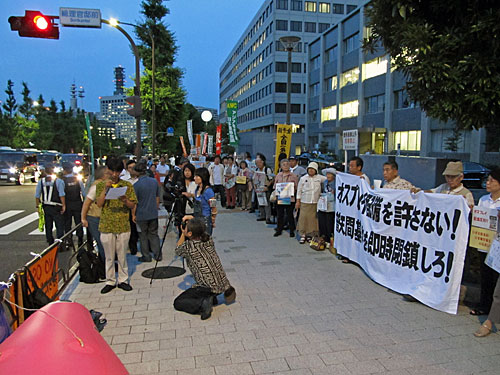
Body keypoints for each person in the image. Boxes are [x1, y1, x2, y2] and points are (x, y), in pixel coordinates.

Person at [173, 217, 236, 320]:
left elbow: (177, 250)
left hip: (207, 287)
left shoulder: (189, 247)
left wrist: (182, 233)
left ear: (189, 233)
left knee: (178, 302)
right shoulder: (208, 239)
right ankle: (212, 298)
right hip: (223, 284)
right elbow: (201, 228)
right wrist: (193, 220)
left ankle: (203, 304)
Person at [95, 157, 137, 294]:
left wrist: (125, 200)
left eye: (118, 171)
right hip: (106, 224)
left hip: (123, 224)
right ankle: (110, 280)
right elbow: (99, 204)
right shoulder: (101, 185)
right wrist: (105, 191)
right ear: (107, 170)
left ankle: (123, 280)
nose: (115, 175)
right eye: (112, 171)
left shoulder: (127, 185)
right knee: (109, 256)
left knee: (122, 255)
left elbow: (133, 205)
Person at [471, 168, 500, 320]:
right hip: (484, 243)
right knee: (486, 277)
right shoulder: (483, 200)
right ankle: (484, 305)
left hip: (498, 246)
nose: (487, 183)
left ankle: (495, 312)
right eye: (487, 180)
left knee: (496, 278)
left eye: (491, 181)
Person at [133, 161, 161, 263]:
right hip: (153, 213)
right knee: (154, 234)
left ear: (137, 172)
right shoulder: (154, 182)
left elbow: (135, 202)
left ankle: (146, 256)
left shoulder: (136, 185)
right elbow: (157, 197)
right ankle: (158, 255)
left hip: (141, 214)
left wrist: (133, 214)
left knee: (143, 236)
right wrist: (156, 207)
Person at [81, 166, 108, 261]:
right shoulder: (97, 186)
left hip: (100, 218)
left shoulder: (103, 185)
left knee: (104, 243)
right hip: (94, 217)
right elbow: (86, 203)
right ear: (103, 175)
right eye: (108, 173)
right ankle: (104, 265)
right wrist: (83, 218)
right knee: (102, 243)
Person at [35, 164, 66, 245]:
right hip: (56, 206)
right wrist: (64, 205)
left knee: (48, 225)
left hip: (46, 206)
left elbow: (37, 196)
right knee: (59, 225)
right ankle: (60, 242)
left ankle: (50, 241)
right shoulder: (58, 181)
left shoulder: (41, 181)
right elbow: (61, 194)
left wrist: (38, 206)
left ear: (45, 171)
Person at [296, 162, 327, 244]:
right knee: (303, 218)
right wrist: (298, 201)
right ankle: (302, 235)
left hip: (315, 202)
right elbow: (299, 190)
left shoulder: (319, 178)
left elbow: (329, 177)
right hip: (304, 201)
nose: (311, 171)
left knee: (313, 220)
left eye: (313, 169)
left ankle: (311, 236)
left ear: (316, 170)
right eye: (309, 169)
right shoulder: (303, 178)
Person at [61, 162, 85, 247]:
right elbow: (83, 192)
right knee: (79, 222)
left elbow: (62, 194)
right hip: (77, 203)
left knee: (67, 223)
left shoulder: (62, 181)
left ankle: (69, 239)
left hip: (67, 204)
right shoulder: (78, 179)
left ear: (65, 170)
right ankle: (80, 239)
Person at [273, 158, 298, 237]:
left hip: (290, 198)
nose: (286, 166)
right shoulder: (278, 175)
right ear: (281, 166)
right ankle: (279, 229)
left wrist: (291, 190)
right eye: (284, 165)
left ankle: (291, 230)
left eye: (287, 164)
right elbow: (275, 186)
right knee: (280, 214)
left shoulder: (293, 176)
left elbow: (296, 187)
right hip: (280, 197)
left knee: (290, 214)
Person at [193, 167, 217, 235]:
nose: (194, 178)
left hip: (205, 219)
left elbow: (214, 207)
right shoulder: (197, 189)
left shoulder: (208, 191)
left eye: (197, 176)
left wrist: (213, 219)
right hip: (197, 219)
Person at [317, 168, 336, 246]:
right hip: (324, 204)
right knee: (322, 222)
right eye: (327, 174)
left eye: (330, 174)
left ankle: (329, 239)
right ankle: (324, 237)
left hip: (332, 205)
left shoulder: (336, 183)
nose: (328, 176)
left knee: (329, 222)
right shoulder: (325, 182)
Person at [253, 157, 274, 224]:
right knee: (260, 202)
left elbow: (271, 179)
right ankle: (262, 215)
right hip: (259, 188)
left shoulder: (267, 169)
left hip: (266, 188)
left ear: (262, 162)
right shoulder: (256, 169)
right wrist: (255, 187)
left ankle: (268, 218)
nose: (258, 164)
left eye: (259, 162)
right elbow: (254, 179)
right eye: (256, 163)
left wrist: (267, 186)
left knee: (267, 203)